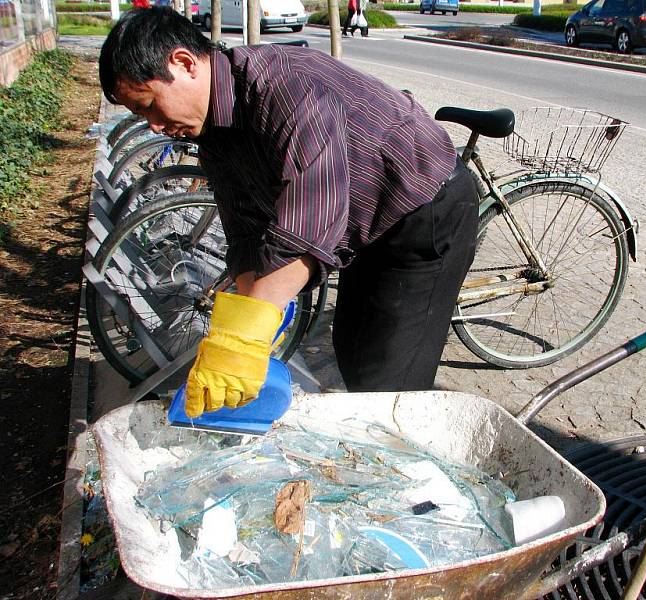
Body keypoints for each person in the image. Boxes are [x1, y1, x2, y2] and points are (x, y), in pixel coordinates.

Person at [99, 7, 478, 418]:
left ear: (184, 63)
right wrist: (244, 321)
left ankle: (412, 471)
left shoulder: (285, 88)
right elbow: (246, 233)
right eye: (141, 117)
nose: (153, 126)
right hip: (363, 223)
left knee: (387, 383)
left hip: (422, 212)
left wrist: (245, 338)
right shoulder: (214, 131)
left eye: (150, 105)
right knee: (350, 348)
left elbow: (308, 225)